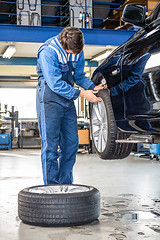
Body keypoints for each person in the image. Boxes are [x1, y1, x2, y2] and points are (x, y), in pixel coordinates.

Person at [36, 26, 104, 185]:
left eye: (78, 52)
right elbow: (55, 84)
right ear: (64, 44)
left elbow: (79, 76)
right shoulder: (48, 52)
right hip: (49, 99)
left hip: (67, 100)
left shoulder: (78, 51)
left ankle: (65, 184)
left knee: (71, 145)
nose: (76, 55)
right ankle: (51, 187)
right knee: (51, 147)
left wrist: (91, 86)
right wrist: (81, 94)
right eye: (72, 52)